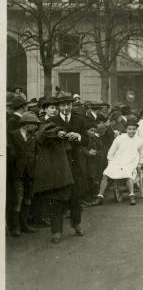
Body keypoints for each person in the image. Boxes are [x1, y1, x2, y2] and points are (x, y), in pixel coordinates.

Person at [48, 94, 88, 237]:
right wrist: (55, 134)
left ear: (72, 105)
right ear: (58, 106)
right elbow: (45, 140)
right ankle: (56, 231)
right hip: (58, 164)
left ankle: (76, 224)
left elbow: (87, 140)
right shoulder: (51, 121)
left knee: (75, 196)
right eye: (63, 105)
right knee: (57, 197)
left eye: (68, 105)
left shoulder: (80, 120)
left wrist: (78, 136)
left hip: (75, 163)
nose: (66, 108)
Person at [92, 119, 143, 206]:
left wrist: (139, 164)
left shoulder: (140, 140)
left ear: (136, 129)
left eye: (133, 129)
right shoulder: (119, 138)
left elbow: (142, 154)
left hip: (131, 162)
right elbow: (111, 152)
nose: (131, 131)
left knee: (128, 174)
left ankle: (131, 195)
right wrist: (110, 163)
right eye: (129, 129)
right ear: (126, 129)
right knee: (105, 174)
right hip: (117, 161)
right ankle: (100, 197)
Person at [6, 112, 40, 237]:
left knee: (27, 199)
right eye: (34, 124)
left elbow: (36, 153)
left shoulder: (33, 137)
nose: (36, 127)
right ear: (26, 124)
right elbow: (11, 154)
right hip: (17, 173)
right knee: (18, 199)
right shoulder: (13, 135)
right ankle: (15, 227)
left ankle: (24, 224)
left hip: (30, 173)